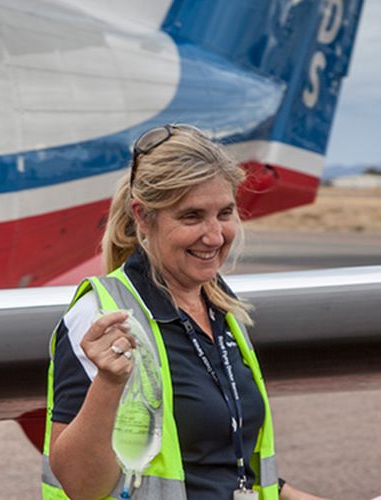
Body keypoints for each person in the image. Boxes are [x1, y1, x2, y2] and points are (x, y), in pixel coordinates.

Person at [43, 125, 325, 500]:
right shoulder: (103, 315)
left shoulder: (220, 306)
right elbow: (81, 485)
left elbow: (220, 463)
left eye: (224, 213)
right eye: (192, 217)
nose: (214, 235)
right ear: (143, 217)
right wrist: (109, 385)